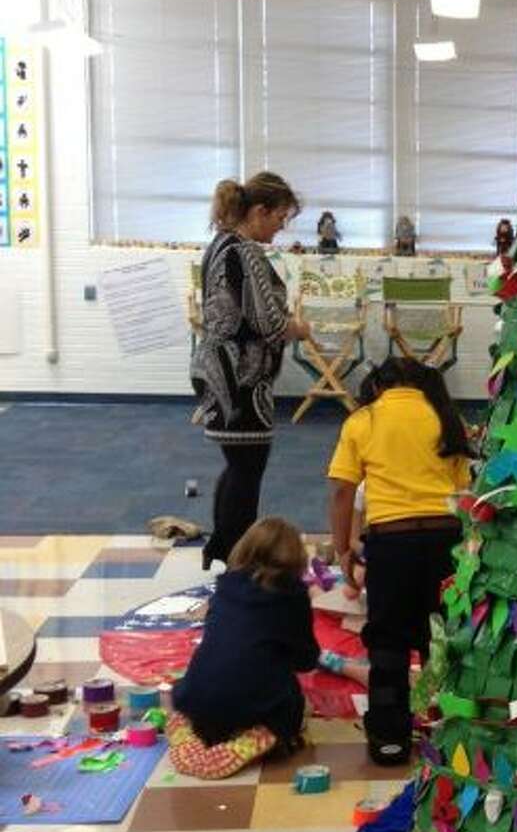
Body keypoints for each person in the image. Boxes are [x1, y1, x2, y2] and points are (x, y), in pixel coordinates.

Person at [328, 357, 472, 764]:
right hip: (447, 540)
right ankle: (448, 735)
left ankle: (390, 739)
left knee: (388, 642)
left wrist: (342, 549)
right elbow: (463, 491)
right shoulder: (447, 416)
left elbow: (342, 492)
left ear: (377, 387)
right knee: (440, 637)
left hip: (391, 543)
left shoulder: (364, 420)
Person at [192, 173, 311, 568]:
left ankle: (223, 545)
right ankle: (238, 557)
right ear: (259, 211)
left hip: (222, 372)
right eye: (280, 216)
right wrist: (298, 328)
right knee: (247, 468)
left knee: (238, 464)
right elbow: (269, 323)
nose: (281, 226)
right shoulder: (243, 252)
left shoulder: (220, 245)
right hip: (240, 377)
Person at [169, 517, 318, 776]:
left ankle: (197, 728)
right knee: (294, 704)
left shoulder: (225, 585)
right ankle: (264, 734)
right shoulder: (292, 594)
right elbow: (306, 659)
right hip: (255, 702)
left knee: (201, 692)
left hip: (197, 698)